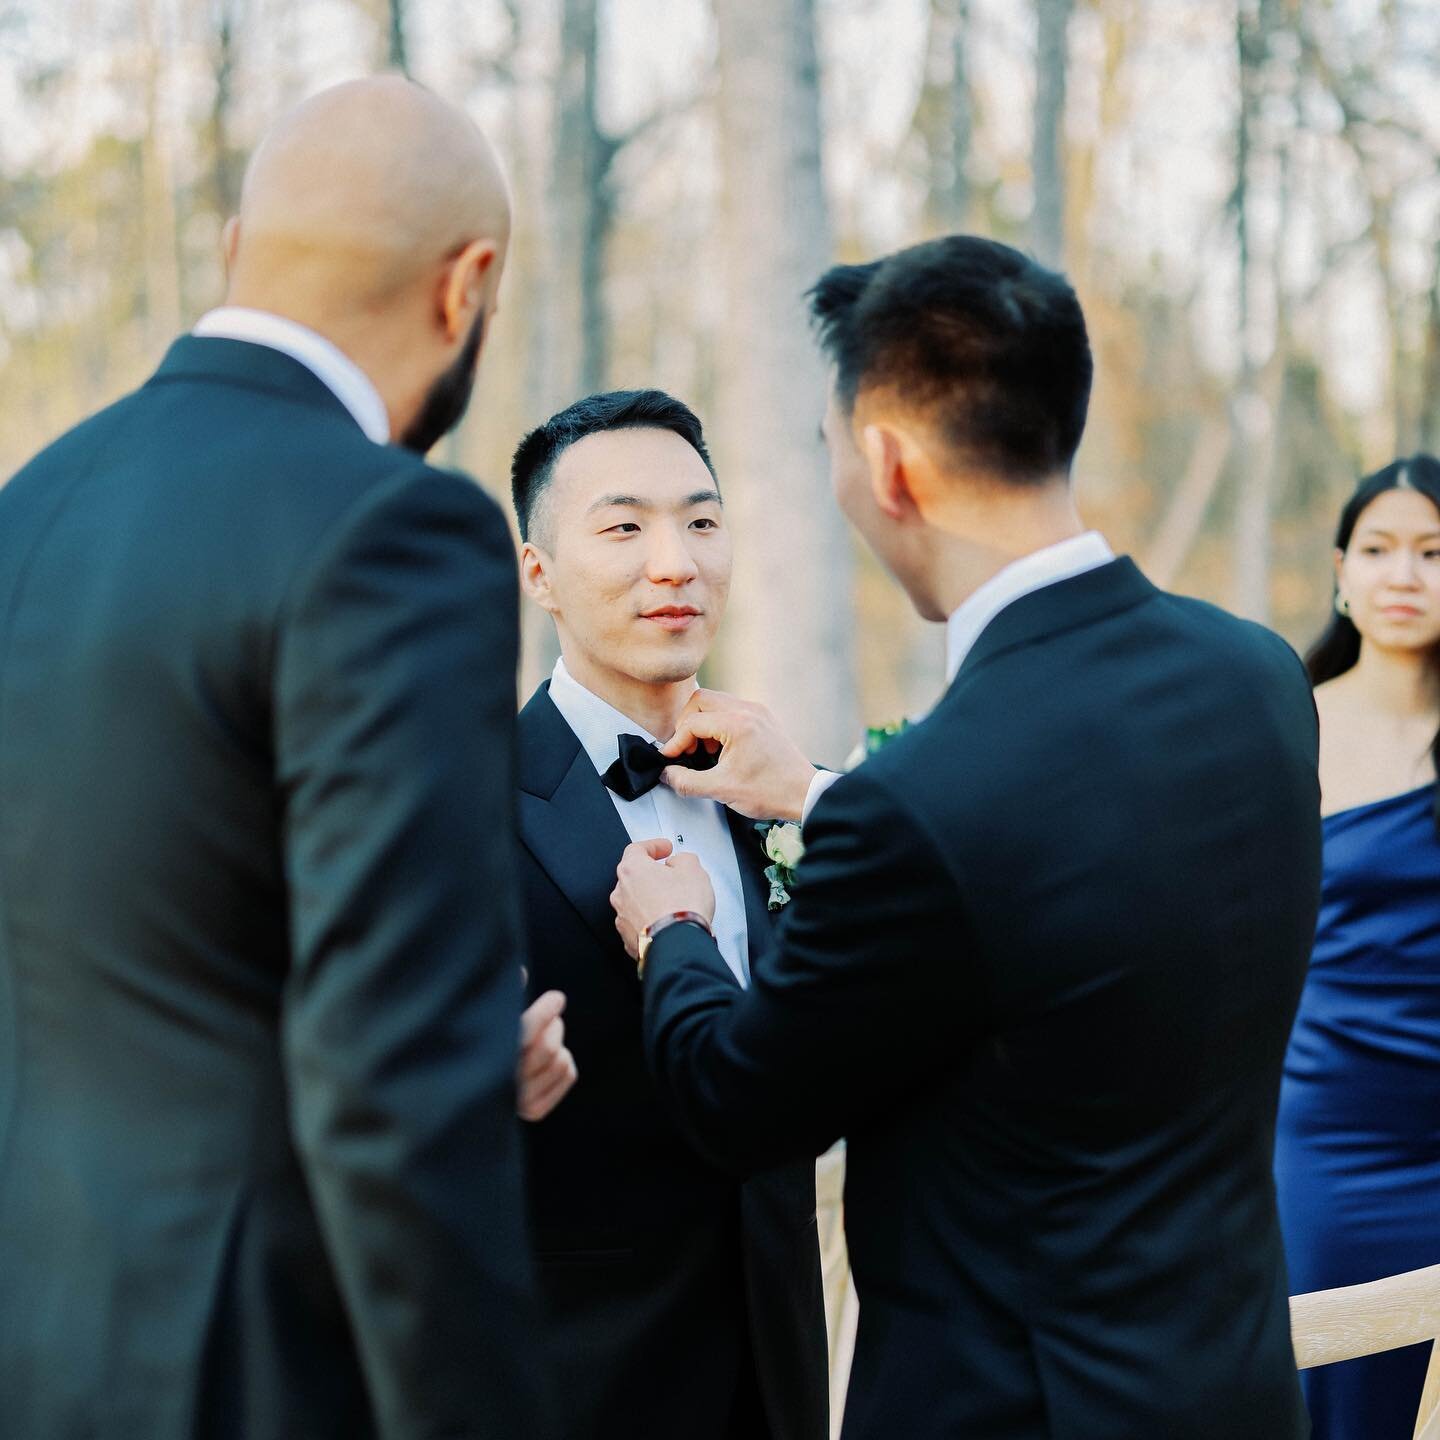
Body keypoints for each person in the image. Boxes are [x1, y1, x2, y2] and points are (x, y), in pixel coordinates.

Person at [609, 235, 1323, 1439]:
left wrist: (674, 934)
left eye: (831, 450)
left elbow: (740, 1099)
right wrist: (818, 795)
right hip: (1232, 1390)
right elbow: (1076, 871)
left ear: (887, 462)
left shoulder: (933, 801)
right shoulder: (1256, 677)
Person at [0, 77, 560, 1440]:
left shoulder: (30, 507)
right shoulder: (395, 536)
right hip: (252, 1373)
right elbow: (397, 1090)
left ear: (238, 244)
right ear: (466, 285)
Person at [508, 389, 829, 1440]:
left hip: (781, 1367)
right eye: (624, 526)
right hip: (571, 1379)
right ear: (539, 573)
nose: (675, 561)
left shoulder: (784, 786)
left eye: (701, 520)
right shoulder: (456, 804)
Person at [1274, 457, 1440, 1440]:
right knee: (1336, 1397)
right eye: (1378, 550)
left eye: (1432, 551)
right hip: (1332, 1131)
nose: (1404, 575)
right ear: (1342, 571)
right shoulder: (1290, 719)